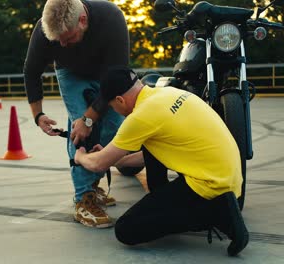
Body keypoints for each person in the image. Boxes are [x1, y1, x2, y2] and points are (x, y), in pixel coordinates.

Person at [74, 66, 249, 256]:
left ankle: (215, 212)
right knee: (151, 146)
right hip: (231, 180)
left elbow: (98, 164)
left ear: (119, 100)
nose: (115, 110)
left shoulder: (141, 117)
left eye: (112, 107)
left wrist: (81, 157)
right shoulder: (169, 93)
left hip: (211, 186)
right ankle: (207, 207)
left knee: (126, 229)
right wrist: (116, 160)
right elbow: (154, 154)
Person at [23, 0, 129, 228]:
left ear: (83, 20)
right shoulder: (45, 30)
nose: (61, 44)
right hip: (70, 73)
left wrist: (90, 119)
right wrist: (38, 114)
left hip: (107, 74)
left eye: (67, 37)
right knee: (80, 129)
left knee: (114, 125)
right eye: (56, 39)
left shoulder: (111, 19)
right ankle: (83, 198)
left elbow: (117, 78)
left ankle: (93, 184)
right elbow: (31, 72)